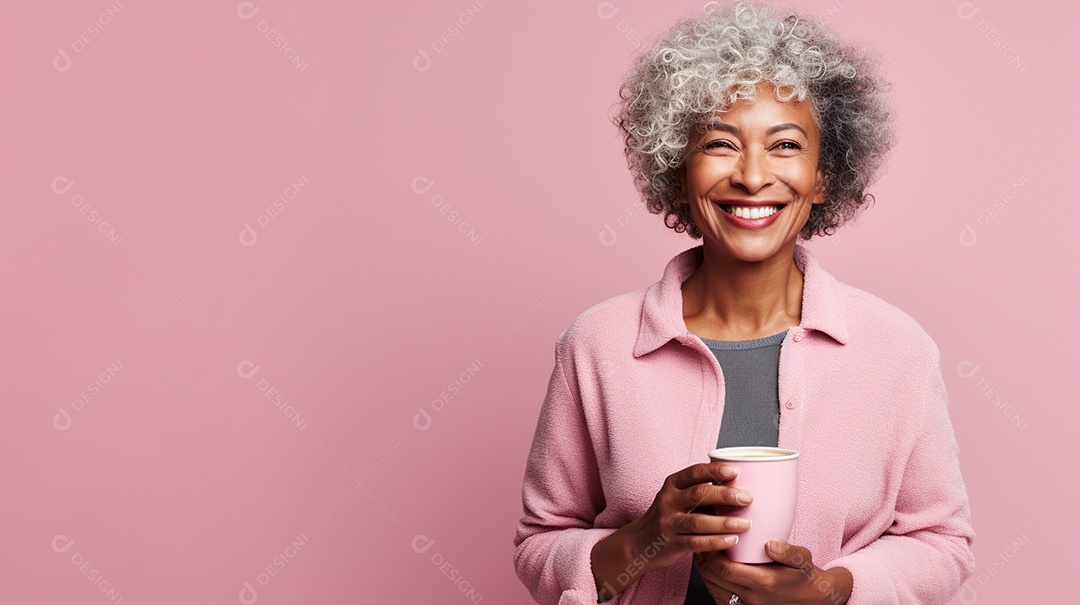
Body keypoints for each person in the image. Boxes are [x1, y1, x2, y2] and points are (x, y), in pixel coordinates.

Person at [512, 1, 975, 604]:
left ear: (824, 175)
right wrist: (645, 539)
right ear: (678, 171)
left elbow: (943, 540)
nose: (753, 177)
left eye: (784, 145)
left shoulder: (896, 349)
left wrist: (833, 593)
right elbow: (538, 542)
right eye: (720, 143)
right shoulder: (597, 345)